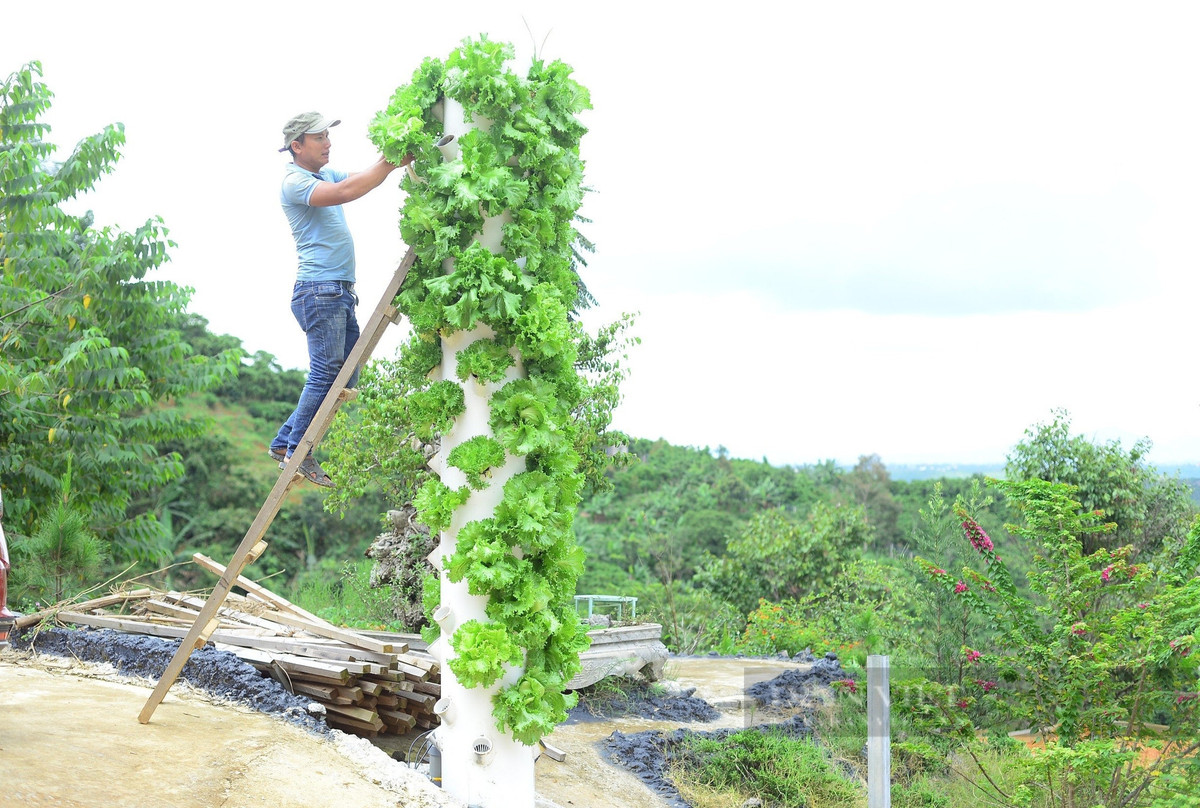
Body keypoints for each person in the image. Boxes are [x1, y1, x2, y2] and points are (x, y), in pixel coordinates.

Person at [269, 112, 411, 487]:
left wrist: (394, 160)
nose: (328, 143)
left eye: (327, 136)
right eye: (319, 138)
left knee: (348, 373)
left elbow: (359, 179)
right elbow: (346, 192)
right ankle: (297, 451)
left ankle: (285, 442)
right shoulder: (294, 182)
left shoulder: (322, 174)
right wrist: (390, 162)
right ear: (297, 146)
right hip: (320, 291)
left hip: (337, 291)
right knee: (326, 373)